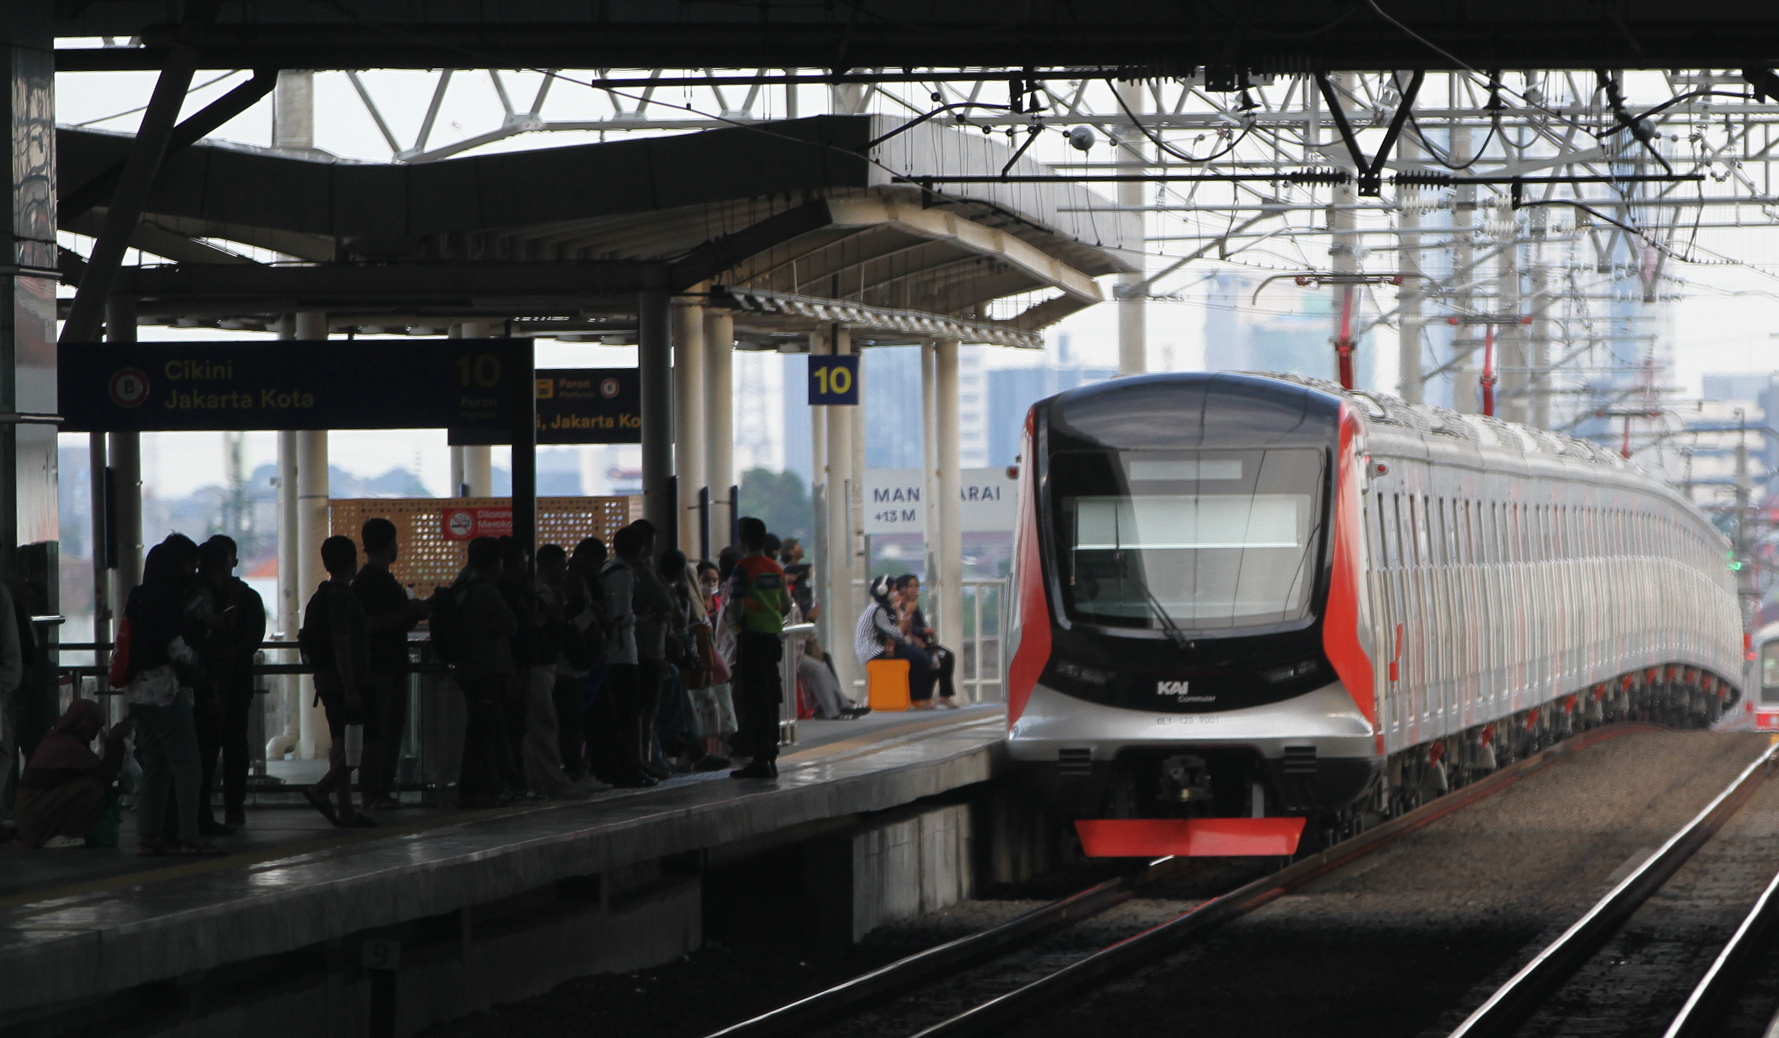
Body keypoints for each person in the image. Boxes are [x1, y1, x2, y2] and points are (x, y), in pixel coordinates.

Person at [126, 541, 223, 855]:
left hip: (138, 691)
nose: (190, 574)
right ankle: (189, 835)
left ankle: (148, 836)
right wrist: (195, 659)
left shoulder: (138, 595)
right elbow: (174, 646)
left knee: (155, 765)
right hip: (165, 691)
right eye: (187, 567)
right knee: (188, 764)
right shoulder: (165, 598)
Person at [188, 536, 266, 831]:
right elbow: (251, 641)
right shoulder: (247, 598)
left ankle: (200, 810)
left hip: (203, 684)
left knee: (204, 749)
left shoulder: (193, 597)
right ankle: (234, 808)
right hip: (236, 682)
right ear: (229, 562)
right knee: (236, 744)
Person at [354, 519, 430, 811]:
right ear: (388, 544)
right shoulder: (374, 582)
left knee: (386, 732)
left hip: (386, 667)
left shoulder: (370, 581)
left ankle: (379, 791)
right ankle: (374, 792)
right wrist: (407, 613)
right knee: (380, 733)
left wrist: (410, 613)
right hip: (381, 670)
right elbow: (371, 625)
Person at [301, 535, 377, 827]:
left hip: (326, 683)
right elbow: (341, 642)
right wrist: (351, 689)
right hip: (347, 684)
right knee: (363, 746)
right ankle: (321, 789)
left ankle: (345, 810)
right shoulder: (343, 597)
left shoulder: (320, 595)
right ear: (352, 561)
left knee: (342, 746)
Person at [450, 536, 524, 807]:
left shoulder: (461, 585)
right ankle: (478, 790)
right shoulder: (487, 591)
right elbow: (511, 625)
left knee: (481, 730)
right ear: (497, 562)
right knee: (482, 733)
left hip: (468, 668)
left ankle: (484, 787)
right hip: (485, 669)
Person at [724, 517, 792, 779]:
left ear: (742, 541)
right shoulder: (775, 568)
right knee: (771, 697)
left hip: (750, 638)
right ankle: (770, 755)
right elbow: (785, 606)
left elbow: (736, 606)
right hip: (772, 639)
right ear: (765, 540)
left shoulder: (743, 568)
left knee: (752, 699)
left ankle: (758, 757)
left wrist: (736, 625)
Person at [15, 700, 131, 848]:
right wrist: (113, 740)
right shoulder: (66, 745)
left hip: (32, 813)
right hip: (33, 815)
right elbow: (105, 775)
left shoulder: (61, 739)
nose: (95, 733)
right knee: (92, 789)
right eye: (95, 725)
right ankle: (61, 834)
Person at [524, 545, 585, 796]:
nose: (565, 571)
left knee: (546, 724)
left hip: (548, 666)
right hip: (538, 665)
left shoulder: (553, 594)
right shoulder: (540, 596)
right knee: (544, 725)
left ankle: (541, 780)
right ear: (546, 566)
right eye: (561, 566)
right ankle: (551, 780)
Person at [597, 526, 651, 787]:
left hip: (614, 652)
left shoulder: (609, 569)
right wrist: (640, 617)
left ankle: (626, 766)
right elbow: (620, 615)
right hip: (622, 653)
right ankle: (630, 767)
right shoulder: (624, 574)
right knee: (628, 714)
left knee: (619, 715)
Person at [624, 521, 675, 780]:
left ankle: (646, 758)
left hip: (648, 648)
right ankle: (641, 760)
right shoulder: (636, 571)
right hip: (644, 649)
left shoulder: (641, 570)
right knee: (643, 710)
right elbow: (664, 601)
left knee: (645, 710)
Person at [562, 536, 611, 780]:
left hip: (587, 656)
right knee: (577, 716)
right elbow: (578, 620)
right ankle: (577, 769)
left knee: (582, 715)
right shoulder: (575, 582)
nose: (598, 568)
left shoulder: (582, 581)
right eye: (596, 563)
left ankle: (581, 766)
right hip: (582, 658)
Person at [856, 575, 936, 708]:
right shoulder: (878, 610)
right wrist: (907, 613)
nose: (895, 593)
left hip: (880, 647)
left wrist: (898, 610)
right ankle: (918, 698)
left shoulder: (884, 607)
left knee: (918, 654)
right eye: (893, 589)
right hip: (873, 651)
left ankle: (917, 697)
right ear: (883, 590)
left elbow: (898, 632)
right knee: (920, 658)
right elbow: (897, 634)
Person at [693, 561, 739, 758]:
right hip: (704, 654)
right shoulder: (695, 603)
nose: (710, 584)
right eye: (706, 580)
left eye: (714, 580)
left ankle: (721, 743)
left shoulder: (720, 601)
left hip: (716, 655)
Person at [895, 574, 959, 708]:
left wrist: (927, 632)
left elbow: (920, 624)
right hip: (906, 644)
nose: (914, 589)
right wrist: (922, 631)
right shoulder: (898, 606)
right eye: (910, 586)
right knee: (929, 659)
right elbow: (903, 628)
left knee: (946, 655)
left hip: (920, 642)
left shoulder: (914, 606)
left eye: (916, 586)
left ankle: (944, 695)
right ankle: (922, 697)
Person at [780, 538, 816, 623]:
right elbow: (815, 569)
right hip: (801, 617)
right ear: (791, 552)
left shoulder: (791, 570)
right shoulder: (791, 569)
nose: (800, 547)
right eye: (797, 545)